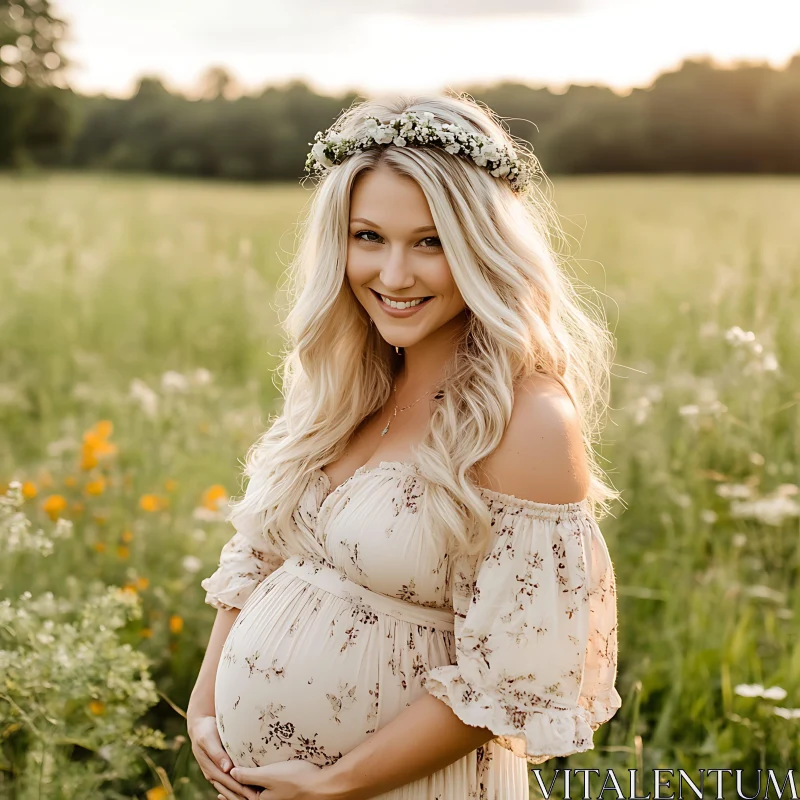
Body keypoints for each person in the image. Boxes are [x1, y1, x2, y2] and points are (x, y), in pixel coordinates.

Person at [188, 92, 622, 800]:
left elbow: (512, 677)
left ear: (483, 250)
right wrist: (206, 708)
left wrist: (336, 786)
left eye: (431, 242)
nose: (393, 276)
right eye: (368, 237)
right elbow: (259, 556)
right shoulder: (342, 386)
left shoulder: (526, 419)